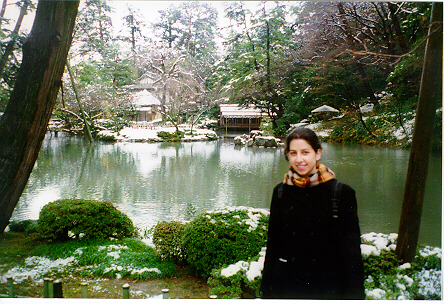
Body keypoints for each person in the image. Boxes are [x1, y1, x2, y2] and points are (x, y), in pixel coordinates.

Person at [260, 127, 365, 299]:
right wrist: (267, 291)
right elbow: (273, 245)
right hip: (288, 285)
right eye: (293, 153)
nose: (299, 159)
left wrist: (355, 296)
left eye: (305, 152)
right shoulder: (280, 191)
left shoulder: (341, 193)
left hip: (327, 288)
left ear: (317, 154)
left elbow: (351, 254)